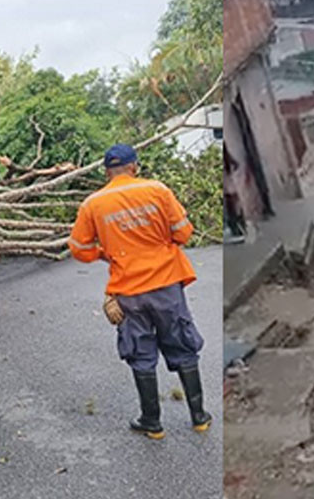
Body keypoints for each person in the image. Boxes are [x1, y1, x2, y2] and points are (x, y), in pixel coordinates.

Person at [68, 144, 211, 439]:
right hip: (167, 283)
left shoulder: (92, 204)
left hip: (128, 290)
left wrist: (105, 254)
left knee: (140, 351)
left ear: (107, 172)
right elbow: (184, 232)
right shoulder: (157, 190)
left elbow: (79, 249)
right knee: (182, 344)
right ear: (134, 166)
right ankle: (198, 417)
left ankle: (152, 422)